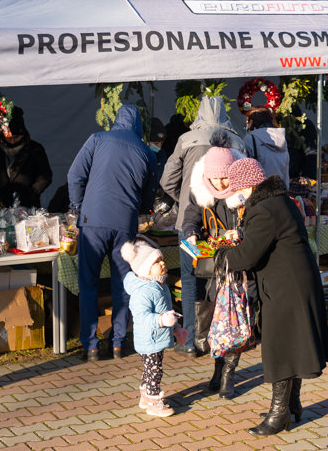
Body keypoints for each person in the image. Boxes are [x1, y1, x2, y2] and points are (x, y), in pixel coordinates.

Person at [214, 158, 328, 436]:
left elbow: (247, 256)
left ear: (249, 187)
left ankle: (279, 416)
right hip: (293, 282)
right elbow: (267, 238)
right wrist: (242, 233)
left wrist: (221, 258)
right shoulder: (279, 201)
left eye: (237, 189)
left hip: (286, 286)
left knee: (282, 348)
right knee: (292, 345)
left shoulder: (264, 210)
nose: (234, 196)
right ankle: (291, 407)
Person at [68, 104, 158, 362]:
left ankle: (91, 346)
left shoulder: (97, 139)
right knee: (124, 285)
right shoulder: (146, 152)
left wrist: (77, 206)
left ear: (117, 120)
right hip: (124, 224)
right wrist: (137, 209)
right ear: (139, 125)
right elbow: (148, 196)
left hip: (93, 220)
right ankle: (118, 343)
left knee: (88, 284)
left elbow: (75, 175)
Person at [160, 97, 246, 356]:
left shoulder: (186, 139)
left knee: (190, 281)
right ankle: (220, 334)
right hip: (227, 223)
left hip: (190, 222)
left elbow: (167, 180)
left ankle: (189, 340)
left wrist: (183, 197)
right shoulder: (237, 141)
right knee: (224, 280)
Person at [181, 139, 249, 399]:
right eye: (216, 178)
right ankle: (218, 368)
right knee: (214, 321)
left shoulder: (245, 191)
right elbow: (190, 218)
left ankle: (228, 376)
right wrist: (191, 234)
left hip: (240, 266)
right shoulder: (200, 191)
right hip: (214, 269)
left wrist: (240, 232)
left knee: (235, 321)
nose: (221, 184)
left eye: (224, 178)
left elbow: (257, 222)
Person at [121, 235, 189, 417]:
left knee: (151, 368)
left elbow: (167, 310)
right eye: (157, 262)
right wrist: (160, 320)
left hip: (157, 337)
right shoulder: (142, 291)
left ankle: (145, 395)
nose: (162, 264)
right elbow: (142, 317)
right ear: (145, 269)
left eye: (161, 260)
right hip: (148, 339)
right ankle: (153, 400)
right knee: (155, 370)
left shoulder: (160, 285)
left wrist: (176, 329)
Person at [0, 106, 52, 209]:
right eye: (9, 138)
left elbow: (45, 175)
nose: (12, 141)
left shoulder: (35, 149)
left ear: (23, 134)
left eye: (16, 137)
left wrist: (33, 191)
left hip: (27, 206)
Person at [243, 106, 289, 184]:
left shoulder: (251, 138)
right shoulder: (281, 137)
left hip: (261, 189)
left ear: (251, 122)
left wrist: (248, 130)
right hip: (281, 188)